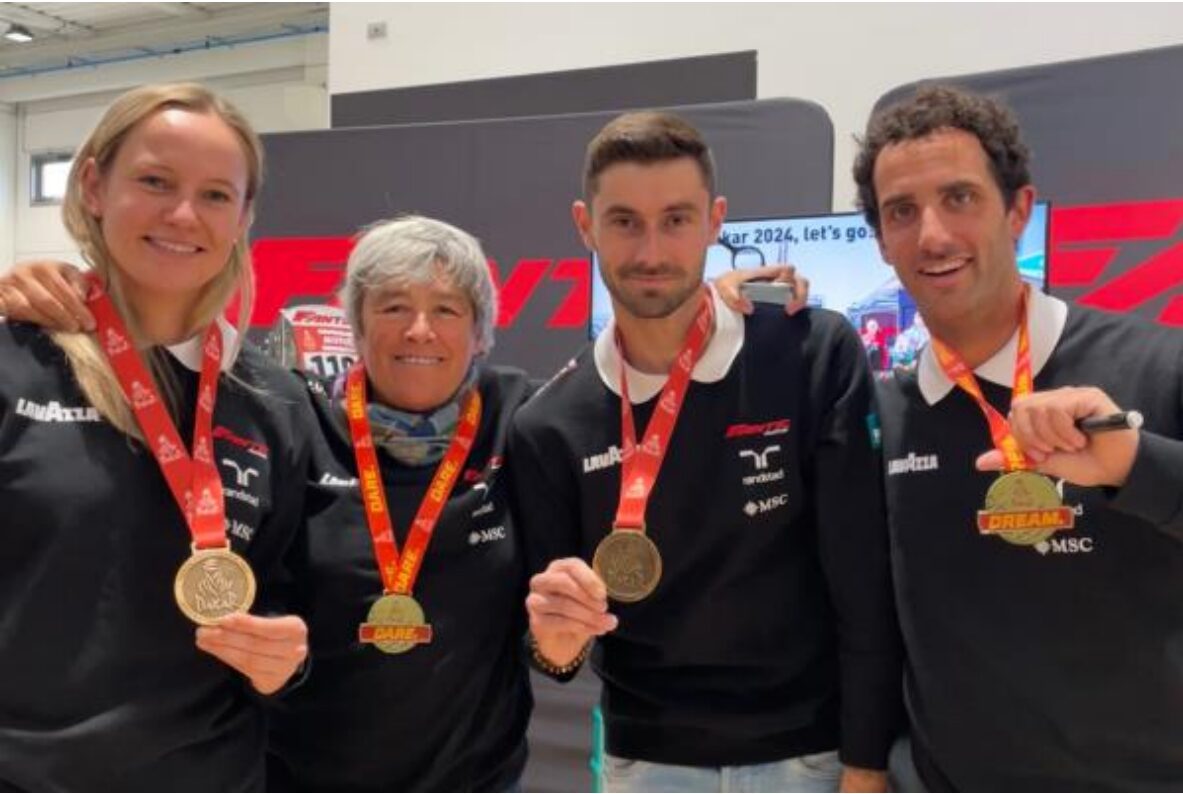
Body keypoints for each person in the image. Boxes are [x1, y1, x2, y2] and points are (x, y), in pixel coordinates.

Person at [509, 110, 902, 792]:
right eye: (624, 221)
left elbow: (863, 584)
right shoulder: (549, 424)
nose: (651, 251)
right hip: (646, 762)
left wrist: (866, 761)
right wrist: (556, 643)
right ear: (585, 225)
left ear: (715, 221)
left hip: (810, 754)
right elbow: (553, 650)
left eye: (676, 220)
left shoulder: (809, 352)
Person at [852, 85, 1183, 790]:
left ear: (1018, 210)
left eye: (959, 198)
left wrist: (1134, 466)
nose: (932, 235)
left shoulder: (1157, 367)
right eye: (901, 211)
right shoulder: (885, 415)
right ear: (881, 241)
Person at [0, 83, 311, 789]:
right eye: (155, 182)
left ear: (244, 217)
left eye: (215, 195)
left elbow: (289, 594)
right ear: (94, 186)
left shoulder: (274, 401)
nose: (182, 215)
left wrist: (287, 658)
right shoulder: (15, 364)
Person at [265, 215, 536, 791]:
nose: (419, 330)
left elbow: (639, 374)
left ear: (480, 333)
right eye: (392, 307)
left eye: (447, 309)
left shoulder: (519, 417)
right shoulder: (297, 424)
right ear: (357, 326)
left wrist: (725, 310)